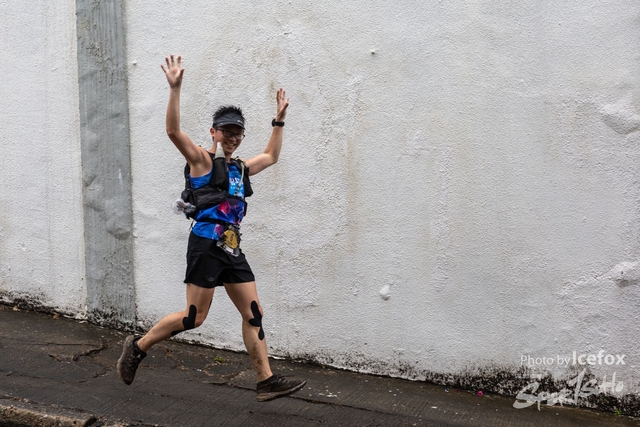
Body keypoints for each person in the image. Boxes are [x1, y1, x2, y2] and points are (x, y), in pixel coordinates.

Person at [117, 54, 306, 402]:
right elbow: (173, 132)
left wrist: (278, 121)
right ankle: (138, 346)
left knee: (254, 313)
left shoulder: (240, 169)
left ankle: (265, 381)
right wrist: (175, 89)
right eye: (226, 131)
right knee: (194, 318)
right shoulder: (202, 161)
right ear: (214, 132)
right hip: (205, 244)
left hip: (231, 247)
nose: (232, 137)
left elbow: (271, 156)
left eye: (237, 133)